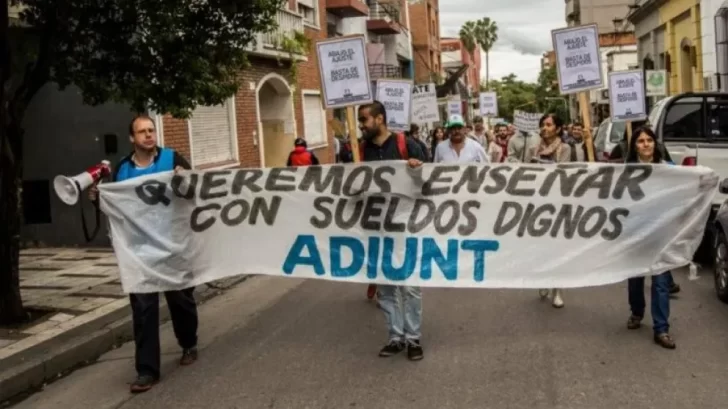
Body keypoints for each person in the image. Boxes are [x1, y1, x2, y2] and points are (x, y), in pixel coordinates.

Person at [89, 114, 199, 393]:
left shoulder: (173, 159)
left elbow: (193, 193)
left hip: (172, 247)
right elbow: (115, 205)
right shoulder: (123, 169)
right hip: (139, 252)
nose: (149, 135)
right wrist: (97, 198)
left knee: (181, 302)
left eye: (151, 130)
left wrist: (184, 180)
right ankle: (147, 370)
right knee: (143, 310)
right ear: (132, 138)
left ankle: (188, 343)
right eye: (142, 131)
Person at [357, 100, 427, 361]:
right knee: (386, 287)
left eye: (364, 120)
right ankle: (395, 337)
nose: (361, 126)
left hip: (406, 225)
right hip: (377, 226)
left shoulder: (406, 144)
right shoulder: (361, 149)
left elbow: (429, 183)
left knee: (409, 286)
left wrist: (417, 171)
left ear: (379, 119)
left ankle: (413, 338)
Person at [624, 126, 676, 349]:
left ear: (655, 143)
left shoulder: (670, 170)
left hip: (661, 234)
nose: (646, 144)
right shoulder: (626, 171)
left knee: (661, 282)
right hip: (635, 233)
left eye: (649, 140)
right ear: (634, 146)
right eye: (640, 141)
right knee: (636, 279)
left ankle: (661, 329)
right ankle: (637, 312)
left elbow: (688, 186)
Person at [525, 113, 571, 308]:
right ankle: (543, 279)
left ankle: (558, 290)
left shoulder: (565, 149)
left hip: (559, 204)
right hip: (538, 205)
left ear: (558, 129)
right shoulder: (532, 149)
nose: (545, 128)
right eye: (543, 124)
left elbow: (565, 174)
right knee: (541, 248)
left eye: (549, 125)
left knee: (558, 249)